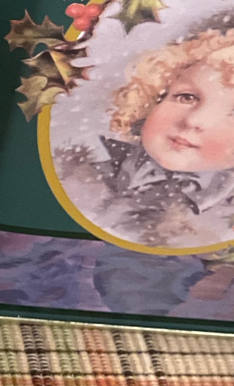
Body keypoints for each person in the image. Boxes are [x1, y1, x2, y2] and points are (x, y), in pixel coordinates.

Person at [56, 29, 234, 248]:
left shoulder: (224, 220)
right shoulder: (83, 178)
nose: (193, 120)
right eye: (186, 97)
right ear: (153, 99)